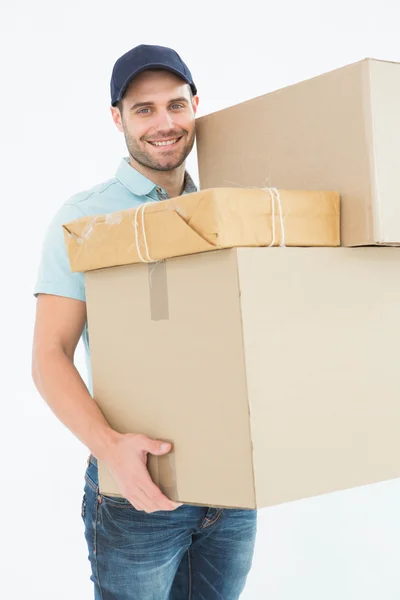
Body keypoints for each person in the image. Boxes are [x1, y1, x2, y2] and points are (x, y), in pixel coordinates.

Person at [32, 44, 257, 600]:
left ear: (196, 107)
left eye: (176, 106)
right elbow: (48, 356)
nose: (165, 123)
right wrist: (110, 450)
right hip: (138, 488)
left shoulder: (231, 213)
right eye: (144, 109)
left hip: (232, 488)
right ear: (118, 118)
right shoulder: (84, 218)